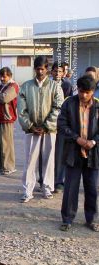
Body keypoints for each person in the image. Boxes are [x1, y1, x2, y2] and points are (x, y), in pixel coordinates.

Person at [18, 55, 64, 203]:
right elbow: (21, 110)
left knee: (49, 159)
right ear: (34, 69)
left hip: (49, 130)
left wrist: (46, 126)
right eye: (37, 69)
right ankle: (27, 190)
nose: (40, 72)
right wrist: (30, 126)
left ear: (47, 69)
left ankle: (47, 188)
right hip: (32, 130)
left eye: (42, 69)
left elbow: (58, 107)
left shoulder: (55, 86)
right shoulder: (26, 86)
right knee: (30, 160)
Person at [58, 75, 99, 232]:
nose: (83, 95)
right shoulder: (69, 103)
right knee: (70, 188)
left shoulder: (98, 106)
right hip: (73, 152)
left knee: (92, 188)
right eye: (81, 91)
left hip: (93, 154)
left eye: (87, 92)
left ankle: (92, 219)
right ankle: (67, 219)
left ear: (93, 92)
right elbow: (62, 124)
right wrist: (77, 139)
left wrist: (93, 142)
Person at [0, 67, 19, 175]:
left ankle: (9, 166)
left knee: (7, 144)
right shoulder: (0, 87)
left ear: (10, 76)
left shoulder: (13, 86)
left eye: (4, 76)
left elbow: (5, 98)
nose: (2, 78)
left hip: (7, 118)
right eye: (1, 76)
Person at [51, 61, 66, 193]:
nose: (57, 73)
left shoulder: (68, 86)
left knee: (60, 154)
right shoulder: (46, 85)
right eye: (55, 71)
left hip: (62, 125)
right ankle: (44, 180)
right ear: (51, 72)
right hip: (47, 125)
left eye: (60, 71)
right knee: (46, 154)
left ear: (63, 73)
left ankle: (59, 182)